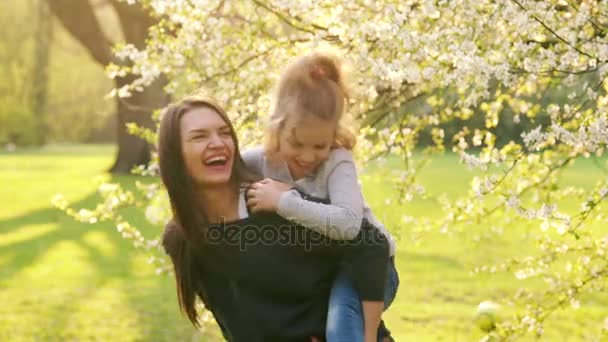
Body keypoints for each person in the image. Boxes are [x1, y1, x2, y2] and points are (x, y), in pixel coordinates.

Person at [158, 95, 390, 341]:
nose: (218, 143)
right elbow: (236, 321)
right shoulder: (181, 238)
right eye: (199, 136)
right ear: (175, 155)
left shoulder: (273, 205)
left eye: (225, 133)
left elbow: (370, 242)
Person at [243, 52, 399, 342]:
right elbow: (224, 170)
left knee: (341, 331)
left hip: (366, 269)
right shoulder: (260, 161)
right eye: (296, 142)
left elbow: (349, 224)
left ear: (335, 134)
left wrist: (283, 201)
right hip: (317, 273)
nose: (307, 156)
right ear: (277, 126)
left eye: (320, 144)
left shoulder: (337, 162)